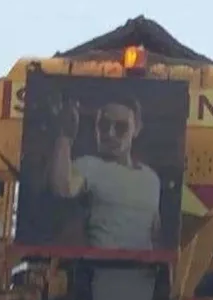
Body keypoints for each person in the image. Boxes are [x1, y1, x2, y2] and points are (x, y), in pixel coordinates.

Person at [48, 94, 162, 251]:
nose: (110, 133)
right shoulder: (89, 166)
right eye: (103, 125)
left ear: (137, 129)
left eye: (121, 127)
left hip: (142, 273)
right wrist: (65, 137)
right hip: (100, 271)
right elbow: (63, 188)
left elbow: (155, 234)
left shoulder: (151, 179)